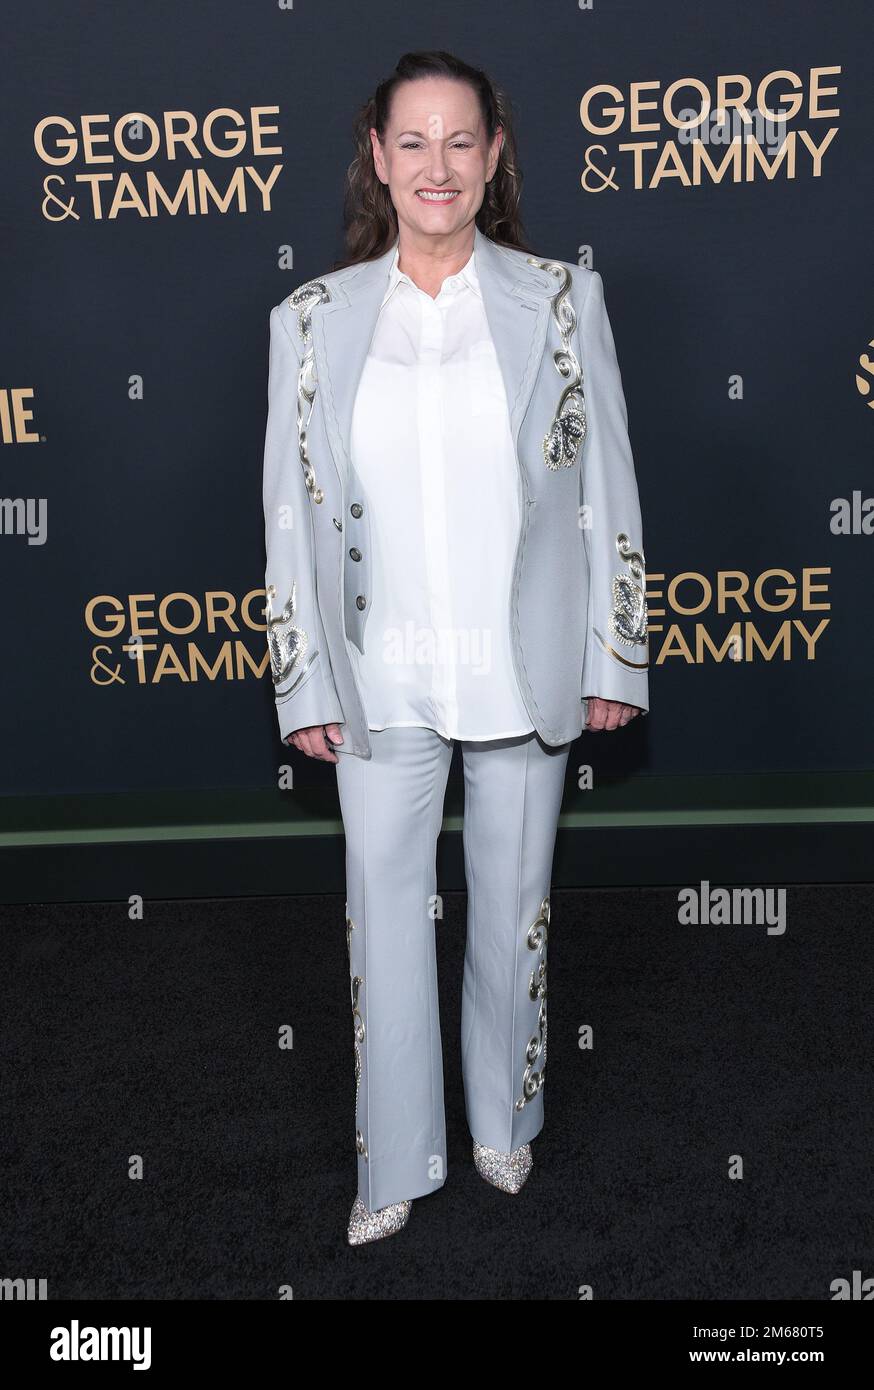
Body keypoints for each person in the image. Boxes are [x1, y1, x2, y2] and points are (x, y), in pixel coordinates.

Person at [261, 49, 649, 1246]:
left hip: (519, 659)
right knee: (379, 913)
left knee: (513, 901)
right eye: (412, 142)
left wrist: (613, 655)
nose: (438, 165)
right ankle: (395, 1158)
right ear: (378, 158)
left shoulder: (561, 299)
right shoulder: (310, 319)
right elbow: (287, 509)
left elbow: (610, 487)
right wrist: (302, 676)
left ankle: (502, 1116)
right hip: (380, 671)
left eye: (460, 141)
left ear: (493, 157)